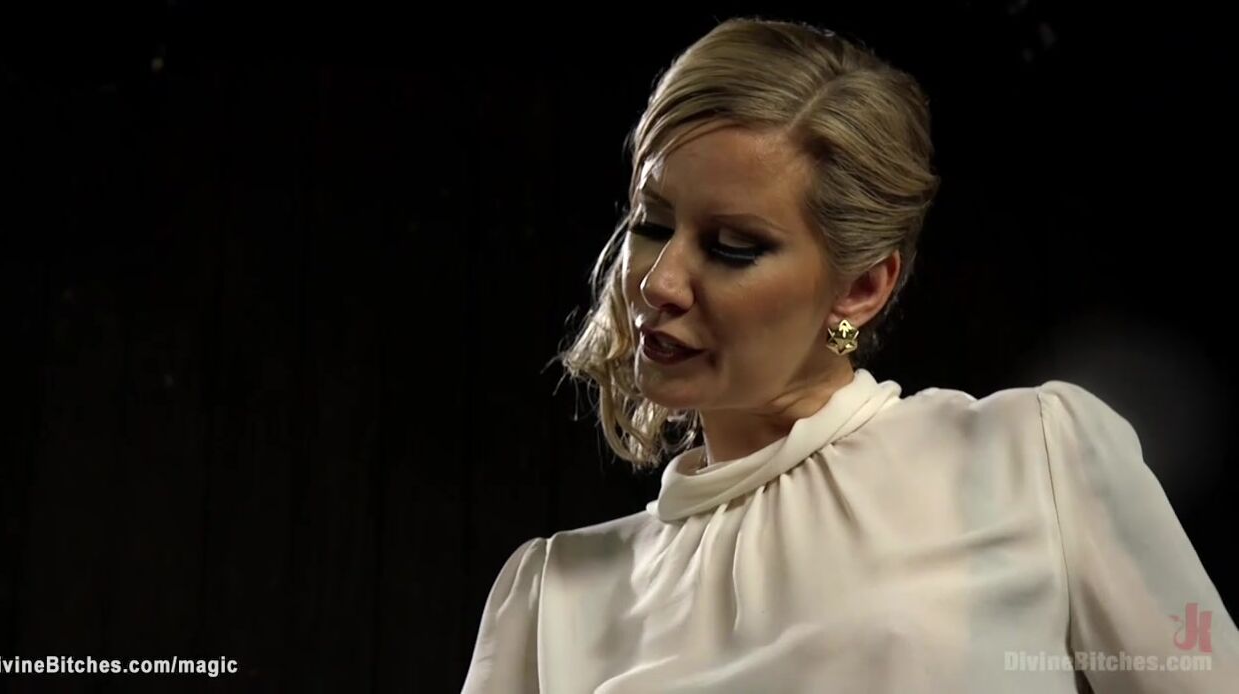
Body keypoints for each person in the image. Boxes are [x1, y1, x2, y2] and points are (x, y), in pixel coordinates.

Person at [460, 17, 1238, 693]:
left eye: (731, 247)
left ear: (862, 287)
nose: (659, 282)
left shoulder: (1032, 458)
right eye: (651, 224)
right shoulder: (550, 598)